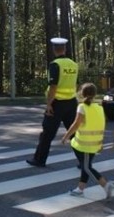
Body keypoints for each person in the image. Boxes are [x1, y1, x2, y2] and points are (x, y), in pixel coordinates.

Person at [26, 37, 79, 167]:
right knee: (74, 132)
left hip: (57, 103)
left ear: (54, 49)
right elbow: (76, 83)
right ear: (65, 49)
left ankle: (39, 160)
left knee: (47, 133)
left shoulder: (55, 65)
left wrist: (49, 104)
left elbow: (53, 86)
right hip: (72, 102)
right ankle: (84, 161)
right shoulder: (74, 64)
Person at [61, 83, 112, 199]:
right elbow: (101, 125)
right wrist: (101, 142)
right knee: (86, 166)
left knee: (87, 167)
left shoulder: (82, 107)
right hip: (94, 143)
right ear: (94, 94)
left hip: (83, 144)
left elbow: (76, 124)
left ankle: (105, 185)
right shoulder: (99, 107)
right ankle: (80, 189)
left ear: (81, 93)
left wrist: (66, 136)